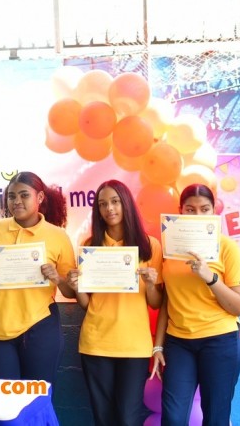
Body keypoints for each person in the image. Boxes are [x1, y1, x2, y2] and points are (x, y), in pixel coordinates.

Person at [67, 179, 163, 426]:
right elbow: (87, 304)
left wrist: (151, 284)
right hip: (96, 343)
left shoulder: (149, 246)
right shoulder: (90, 247)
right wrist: (77, 287)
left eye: (115, 202)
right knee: (103, 419)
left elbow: (155, 303)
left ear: (126, 204)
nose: (109, 208)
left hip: (134, 346)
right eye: (102, 204)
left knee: (128, 419)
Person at [152, 183, 240, 426]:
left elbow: (238, 307)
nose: (197, 215)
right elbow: (167, 301)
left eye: (204, 209)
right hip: (179, 343)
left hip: (220, 341)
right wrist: (158, 346)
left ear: (214, 211)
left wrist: (210, 277)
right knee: (173, 418)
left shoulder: (227, 248)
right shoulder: (169, 250)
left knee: (215, 418)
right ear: (180, 211)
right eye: (190, 209)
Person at [0, 171, 75, 385]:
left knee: (36, 398)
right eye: (11, 196)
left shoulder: (58, 236)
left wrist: (57, 278)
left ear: (40, 197)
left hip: (40, 326)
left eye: (24, 195)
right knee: (1, 399)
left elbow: (70, 292)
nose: (17, 201)